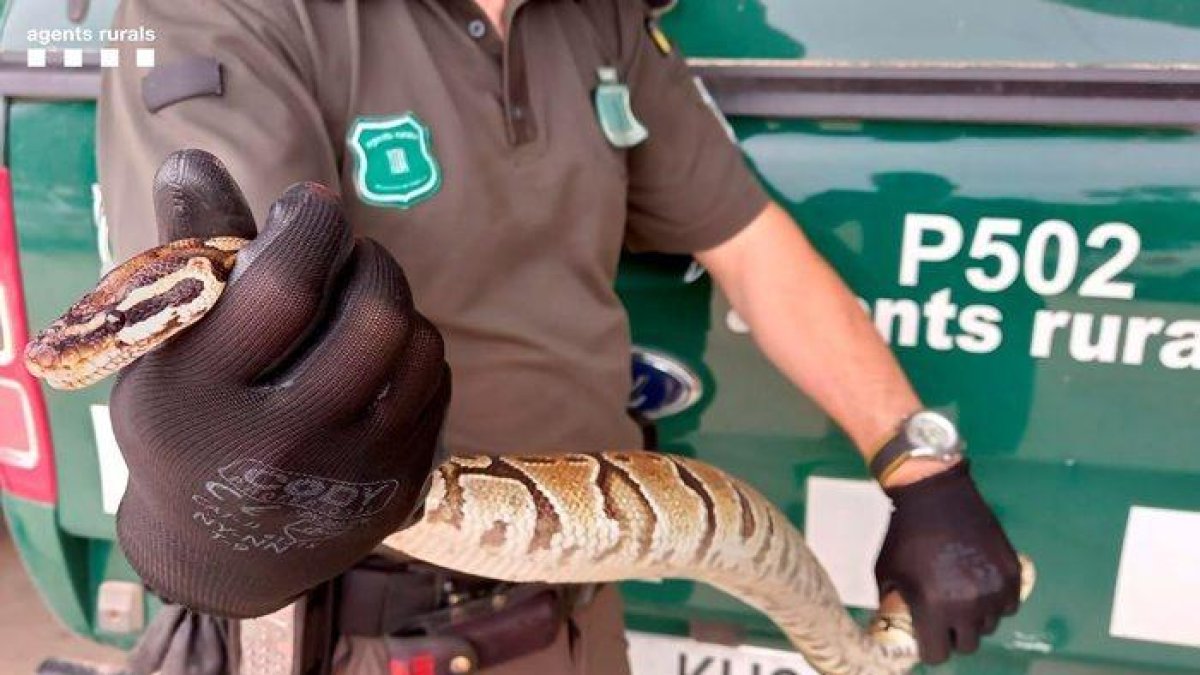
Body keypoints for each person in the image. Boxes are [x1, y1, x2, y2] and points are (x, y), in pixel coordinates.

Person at [97, 0, 1022, 673]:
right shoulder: (222, 11)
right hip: (359, 632)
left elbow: (752, 247)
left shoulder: (598, 19)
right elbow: (246, 351)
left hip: (583, 611)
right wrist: (205, 501)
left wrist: (921, 464)